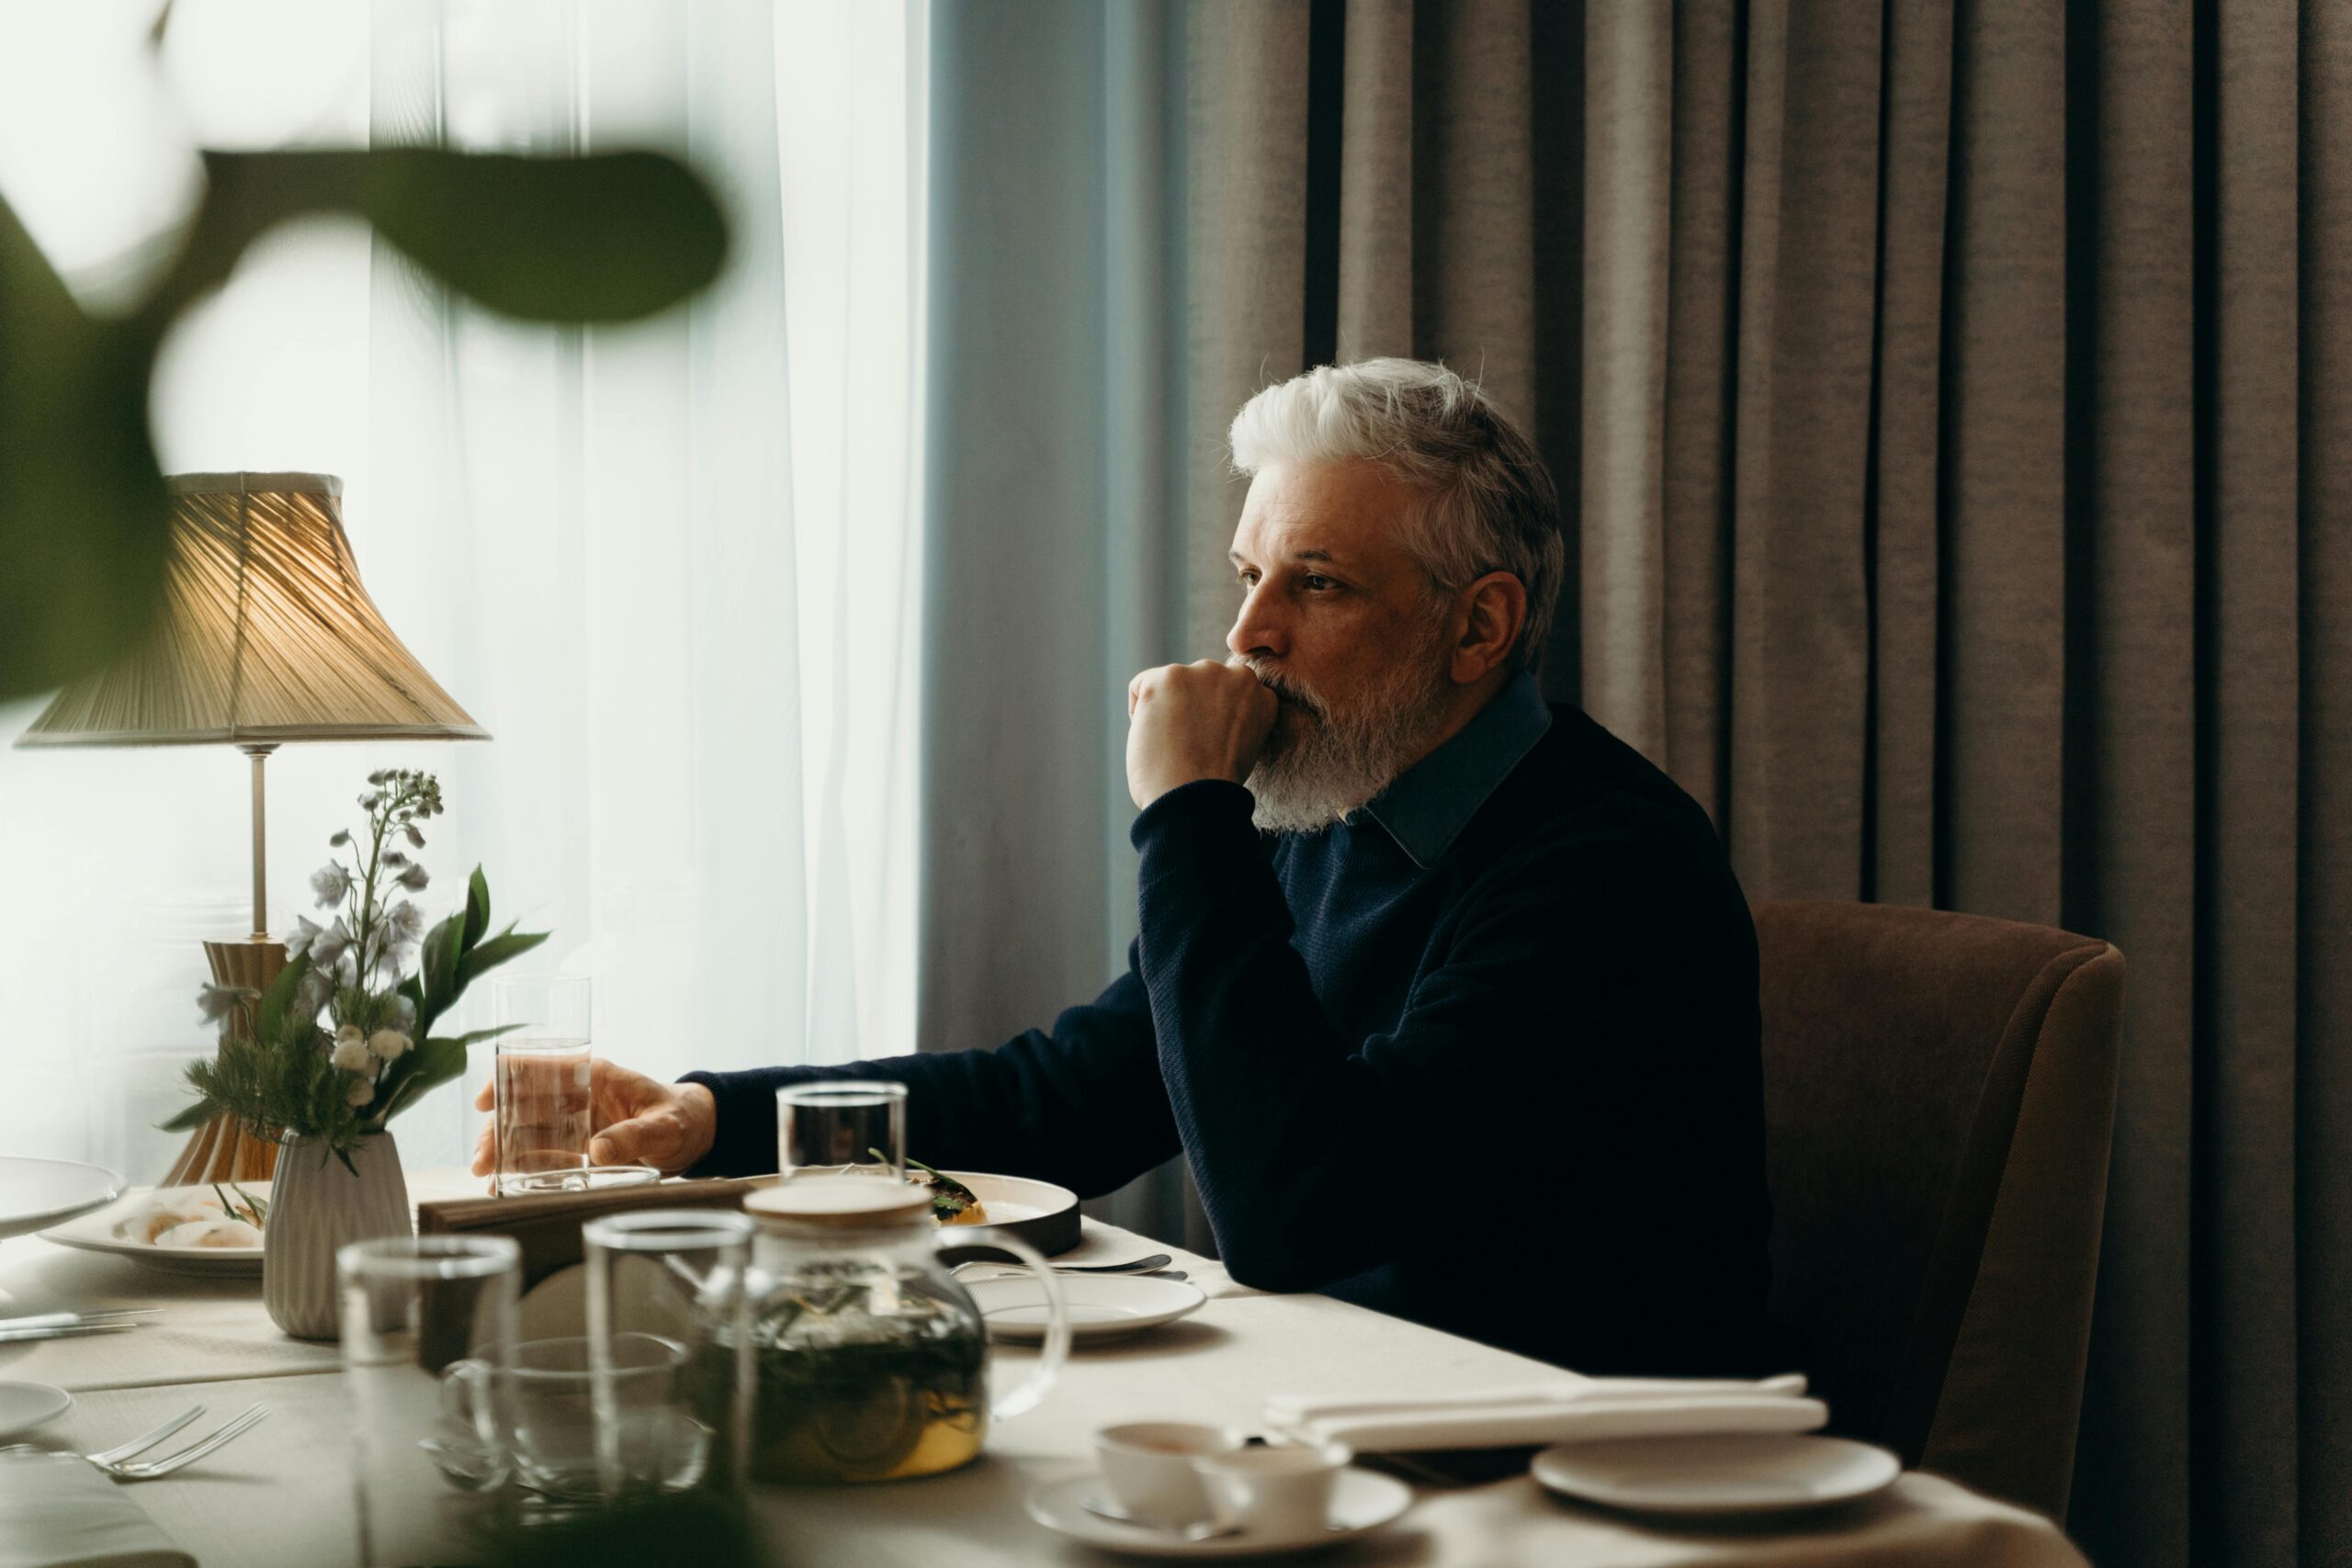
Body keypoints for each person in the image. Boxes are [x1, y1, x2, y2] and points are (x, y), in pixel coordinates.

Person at [476, 358, 1776, 1375]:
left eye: (1315, 585)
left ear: (1477, 625)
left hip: (1559, 1473)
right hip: (1348, 1414)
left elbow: (1298, 1219)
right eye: (1250, 575)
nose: (1246, 634)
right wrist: (716, 1117)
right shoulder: (1333, 803)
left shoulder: (1608, 867)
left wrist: (1189, 813)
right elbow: (1072, 1095)